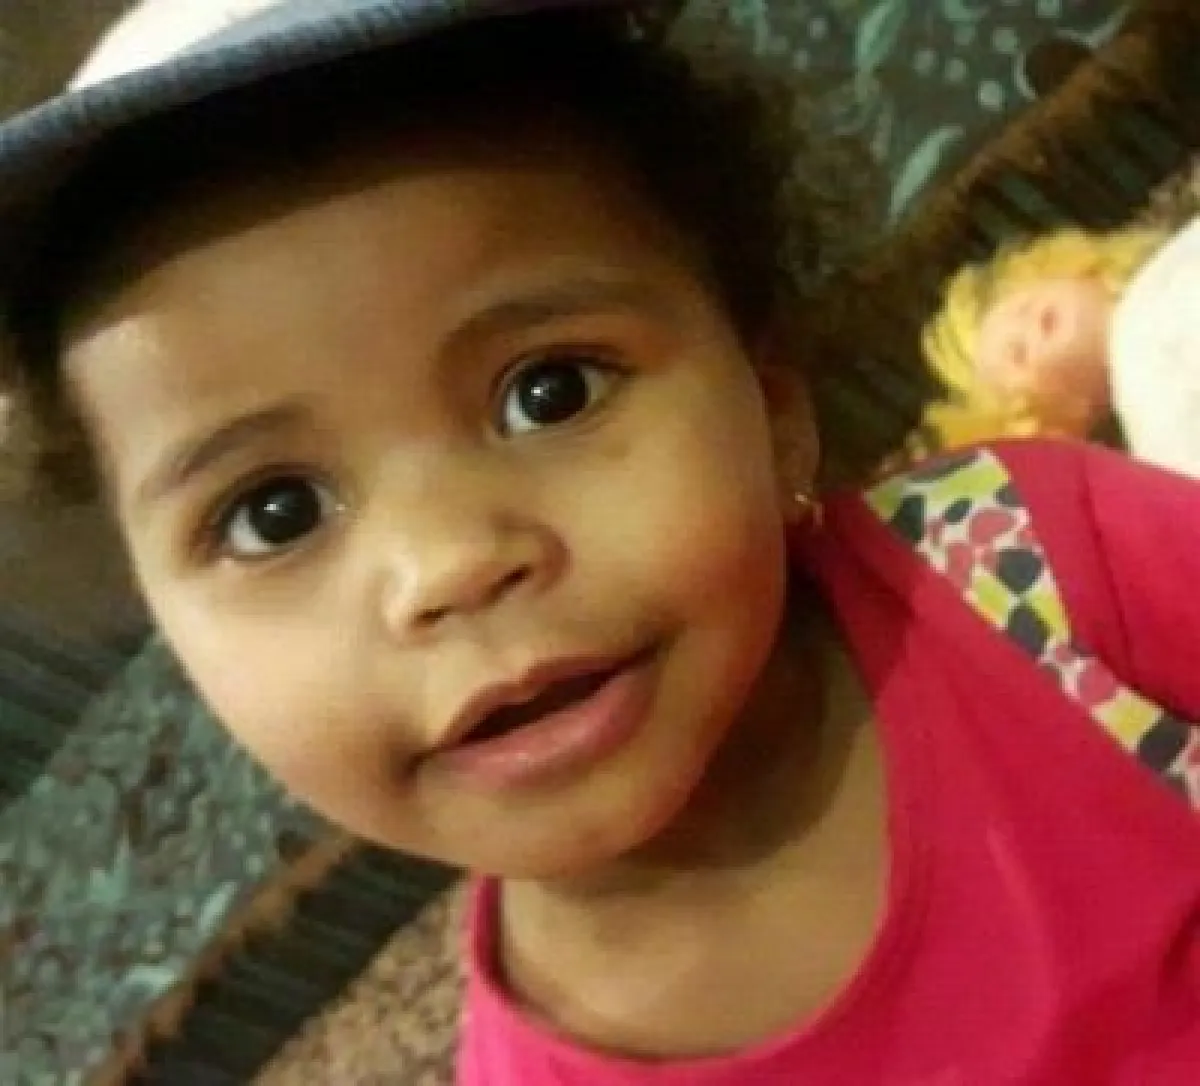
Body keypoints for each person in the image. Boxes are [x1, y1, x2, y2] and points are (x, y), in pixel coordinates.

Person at [2, 2, 1200, 1083]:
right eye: (275, 514)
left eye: (551, 392)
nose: (452, 562)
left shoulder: (1029, 564)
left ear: (773, 404)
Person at [919, 216, 1200, 479]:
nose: (1025, 325)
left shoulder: (1167, 264)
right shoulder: (1152, 417)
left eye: (1021, 306)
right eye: (1019, 352)